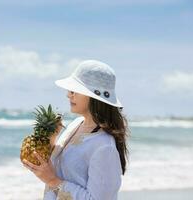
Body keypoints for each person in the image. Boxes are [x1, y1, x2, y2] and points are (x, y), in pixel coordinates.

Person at [22, 60, 130, 200]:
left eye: (75, 90)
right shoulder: (77, 124)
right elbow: (63, 166)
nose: (69, 94)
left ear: (93, 96)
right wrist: (51, 140)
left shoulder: (104, 147)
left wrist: (52, 181)